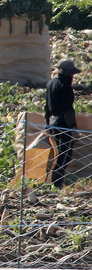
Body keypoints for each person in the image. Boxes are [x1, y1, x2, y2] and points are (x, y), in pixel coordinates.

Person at [46, 58, 80, 188]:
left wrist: (47, 123)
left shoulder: (51, 83)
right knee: (65, 154)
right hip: (63, 123)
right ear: (69, 74)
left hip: (53, 121)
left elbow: (47, 106)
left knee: (59, 152)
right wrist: (73, 127)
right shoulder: (65, 86)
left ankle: (55, 181)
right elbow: (67, 109)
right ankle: (56, 183)